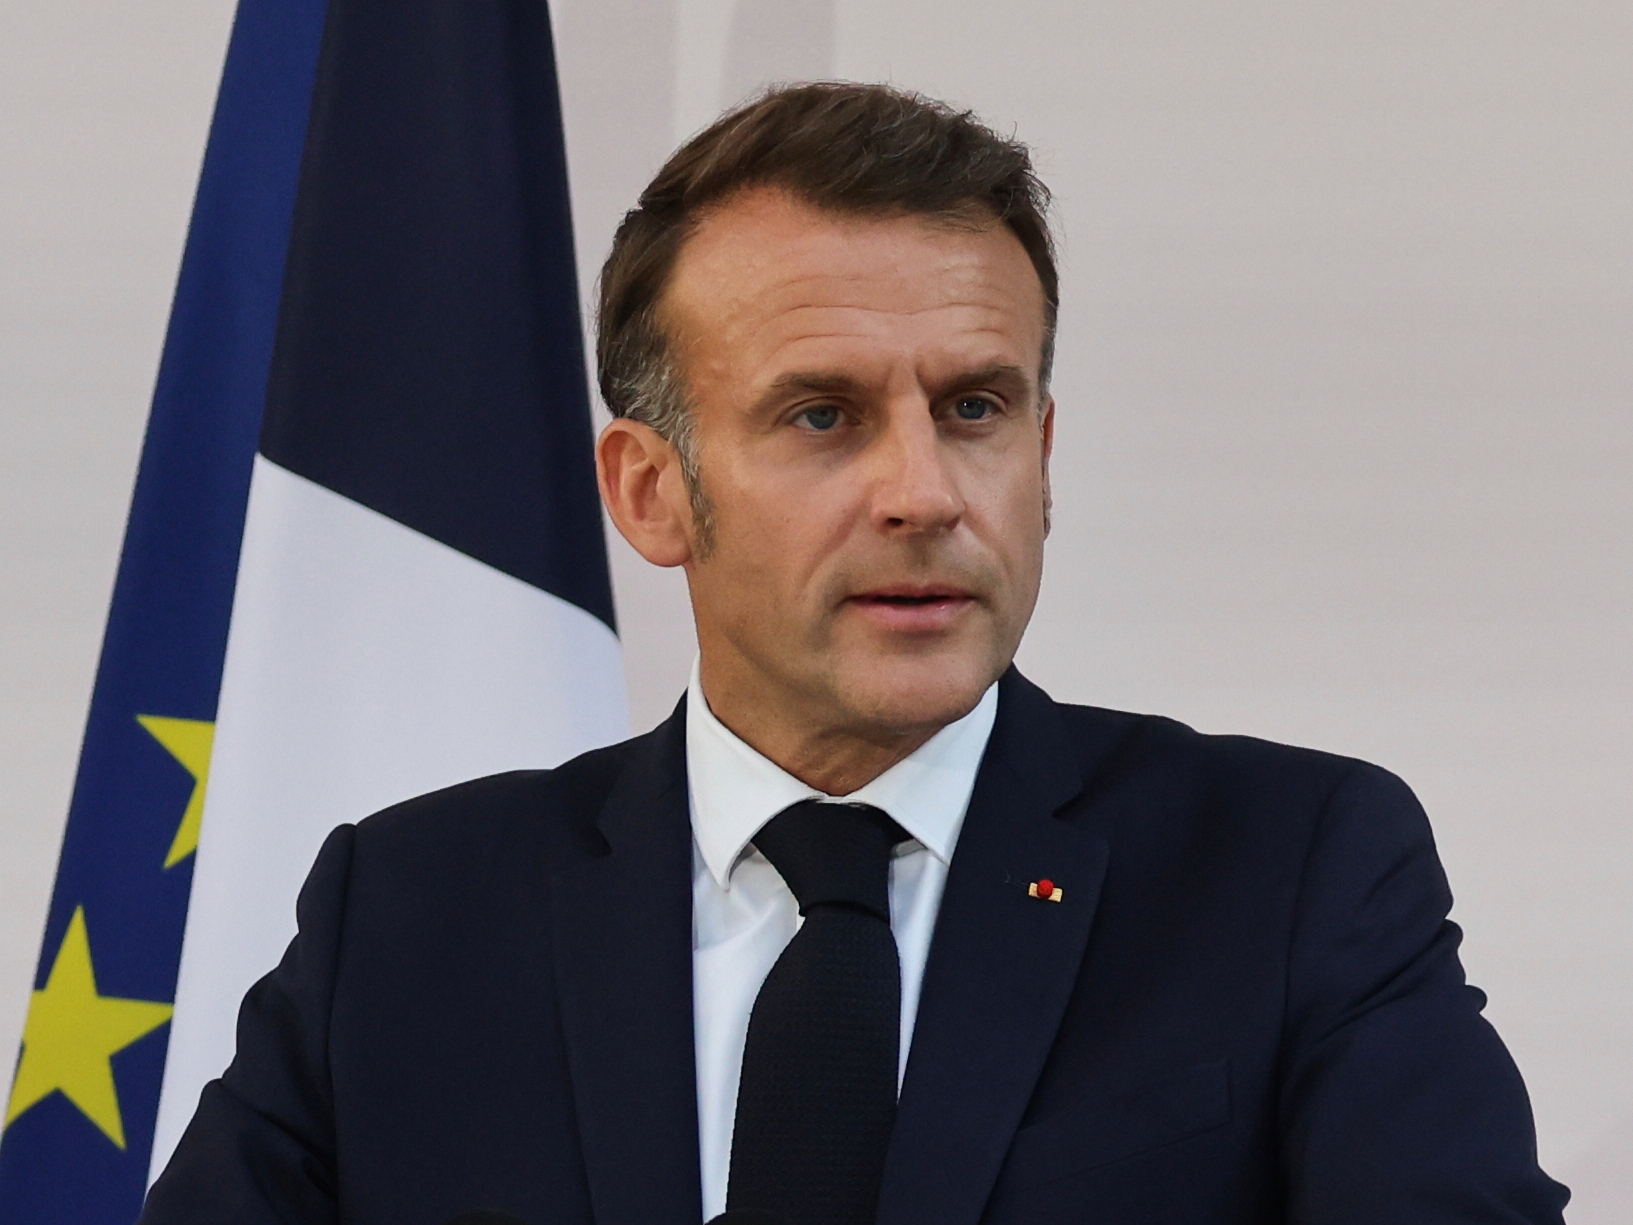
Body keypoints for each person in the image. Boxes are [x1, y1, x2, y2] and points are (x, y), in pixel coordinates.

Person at [141, 83, 1569, 1225]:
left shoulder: (1292, 869)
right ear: (650, 490)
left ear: (1043, 453)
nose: (924, 492)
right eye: (820, 414)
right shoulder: (406, 917)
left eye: (973, 408)